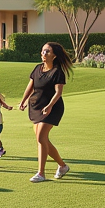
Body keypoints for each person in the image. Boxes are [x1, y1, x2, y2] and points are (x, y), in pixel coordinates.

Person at [19, 42, 70, 182]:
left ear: (54, 55)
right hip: (36, 106)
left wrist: (49, 106)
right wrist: (23, 101)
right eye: (42, 51)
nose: (44, 54)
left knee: (41, 137)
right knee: (43, 139)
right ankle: (62, 165)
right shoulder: (37, 68)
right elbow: (30, 87)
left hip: (52, 108)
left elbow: (58, 92)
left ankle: (41, 173)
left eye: (47, 51)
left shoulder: (58, 72)